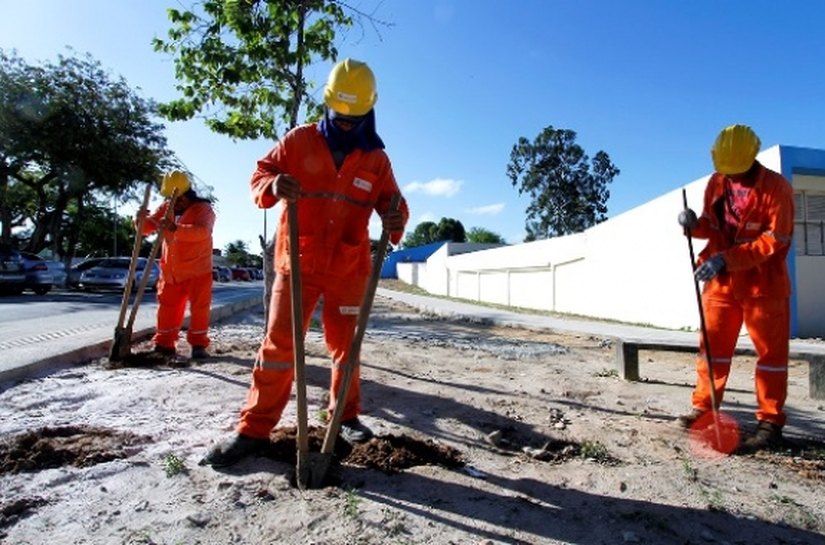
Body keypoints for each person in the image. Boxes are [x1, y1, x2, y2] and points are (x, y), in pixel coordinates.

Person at [202, 58, 409, 468]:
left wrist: (395, 217)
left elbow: (395, 205)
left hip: (348, 268)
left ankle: (346, 417)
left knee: (347, 349)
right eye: (340, 115)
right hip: (296, 262)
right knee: (279, 348)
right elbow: (260, 176)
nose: (347, 124)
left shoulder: (376, 161)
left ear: (370, 110)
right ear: (328, 103)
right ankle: (254, 429)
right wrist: (273, 185)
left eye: (356, 117)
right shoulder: (298, 142)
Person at [676, 124, 795, 453]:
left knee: (771, 358)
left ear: (751, 158)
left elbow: (774, 240)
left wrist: (727, 259)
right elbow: (712, 225)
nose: (730, 176)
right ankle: (704, 410)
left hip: (763, 284)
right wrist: (692, 225)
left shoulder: (777, 189)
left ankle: (770, 423)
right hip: (721, 282)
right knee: (711, 350)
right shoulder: (717, 182)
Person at [138, 172, 216, 360]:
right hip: (171, 271)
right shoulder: (166, 208)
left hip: (197, 270)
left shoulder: (204, 209)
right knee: (167, 308)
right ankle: (164, 345)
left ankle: (198, 345)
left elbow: (202, 233)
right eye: (172, 198)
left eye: (179, 198)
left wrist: (175, 229)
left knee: (199, 310)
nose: (176, 202)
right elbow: (146, 229)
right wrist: (140, 220)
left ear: (188, 194)